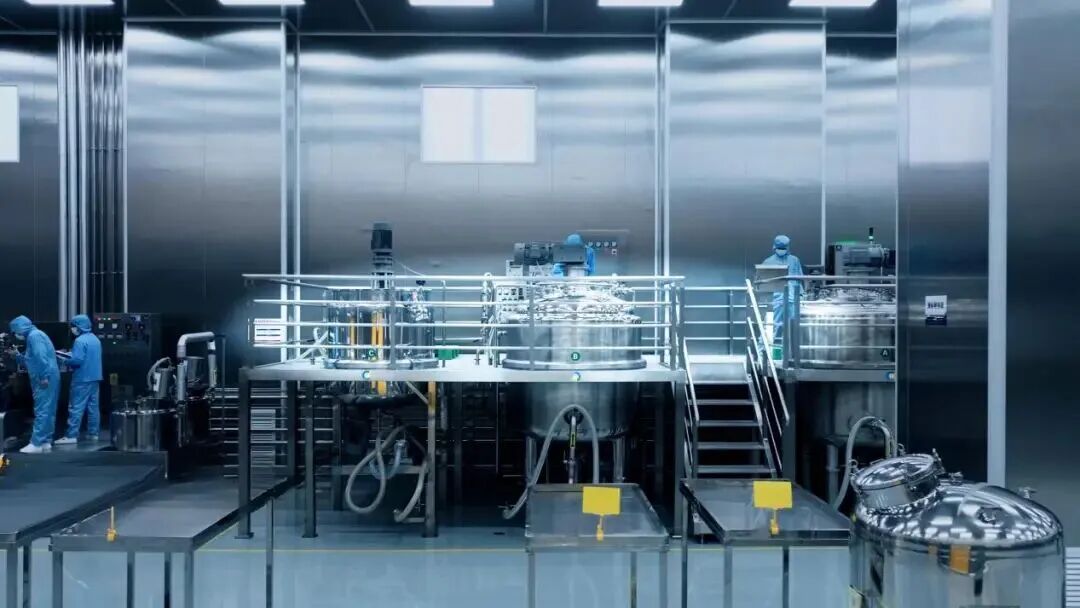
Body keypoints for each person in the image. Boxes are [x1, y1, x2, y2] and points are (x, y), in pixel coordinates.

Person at [8, 316, 59, 453]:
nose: (15, 334)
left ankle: (36, 443)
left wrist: (44, 376)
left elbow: (41, 358)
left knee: (42, 409)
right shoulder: (36, 335)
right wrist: (17, 356)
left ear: (20, 328)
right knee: (48, 409)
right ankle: (45, 441)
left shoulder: (34, 337)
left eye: (15, 331)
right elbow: (30, 360)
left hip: (44, 377)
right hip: (48, 375)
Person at [56, 315, 102, 445]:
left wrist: (64, 359)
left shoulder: (80, 341)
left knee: (76, 407)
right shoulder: (95, 339)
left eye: (73, 326)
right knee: (93, 407)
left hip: (82, 379)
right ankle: (93, 433)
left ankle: (71, 435)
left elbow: (77, 361)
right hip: (95, 377)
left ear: (78, 326)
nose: (72, 329)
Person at [762, 235, 804, 343]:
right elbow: (763, 282)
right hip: (776, 300)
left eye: (783, 248)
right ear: (774, 247)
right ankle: (763, 349)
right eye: (780, 248)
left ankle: (791, 351)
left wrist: (801, 295)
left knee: (793, 327)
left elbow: (800, 279)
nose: (782, 250)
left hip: (792, 299)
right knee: (772, 326)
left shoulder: (794, 260)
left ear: (788, 248)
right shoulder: (768, 262)